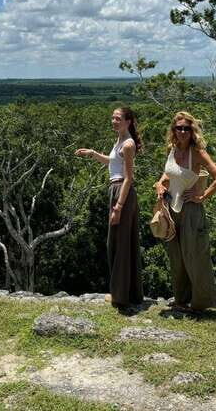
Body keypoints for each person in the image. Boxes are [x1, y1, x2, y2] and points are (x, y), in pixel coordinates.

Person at [154, 111, 216, 312]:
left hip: (191, 211)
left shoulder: (197, 153)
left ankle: (201, 302)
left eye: (187, 128)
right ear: (173, 131)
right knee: (176, 257)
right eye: (179, 128)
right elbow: (166, 176)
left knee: (194, 256)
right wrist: (159, 185)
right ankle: (181, 300)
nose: (183, 131)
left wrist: (202, 196)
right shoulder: (172, 149)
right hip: (171, 209)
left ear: (192, 130)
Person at [74, 107, 144, 309]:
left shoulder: (128, 144)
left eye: (118, 118)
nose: (114, 121)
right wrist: (93, 153)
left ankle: (121, 296)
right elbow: (112, 163)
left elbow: (129, 178)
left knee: (120, 244)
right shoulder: (120, 140)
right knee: (118, 243)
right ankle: (125, 292)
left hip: (122, 192)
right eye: (112, 117)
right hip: (116, 190)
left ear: (128, 121)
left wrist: (119, 206)